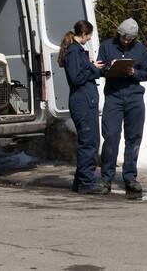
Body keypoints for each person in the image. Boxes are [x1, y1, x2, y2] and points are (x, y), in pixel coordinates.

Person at [97, 17, 147, 199]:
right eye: (123, 37)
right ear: (118, 34)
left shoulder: (141, 49)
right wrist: (109, 69)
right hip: (113, 97)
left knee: (133, 138)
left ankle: (130, 178)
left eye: (130, 39)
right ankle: (106, 178)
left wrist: (134, 72)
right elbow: (99, 67)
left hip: (134, 97)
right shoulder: (106, 46)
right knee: (111, 136)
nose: (126, 41)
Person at [59, 20, 107, 194]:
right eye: (89, 36)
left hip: (86, 101)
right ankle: (86, 183)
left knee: (89, 141)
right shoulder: (74, 51)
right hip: (83, 103)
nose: (89, 39)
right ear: (84, 34)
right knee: (89, 143)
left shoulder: (77, 50)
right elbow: (76, 77)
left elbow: (81, 72)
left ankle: (80, 182)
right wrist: (93, 69)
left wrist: (93, 67)